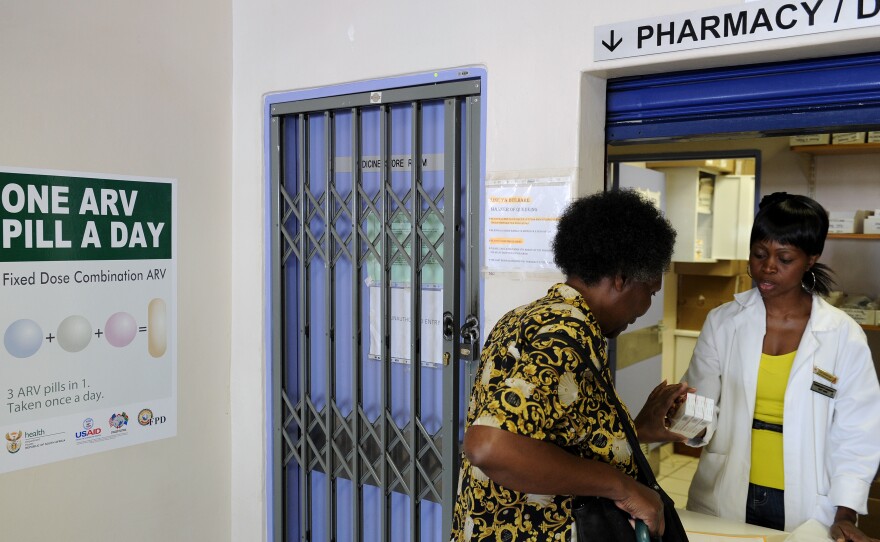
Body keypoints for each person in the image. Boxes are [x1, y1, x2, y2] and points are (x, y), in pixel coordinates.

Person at [450, 189, 689, 541]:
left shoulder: (524, 317)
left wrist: (635, 431)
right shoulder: (567, 333)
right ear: (621, 279)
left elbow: (551, 439)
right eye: (650, 293)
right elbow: (489, 445)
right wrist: (622, 487)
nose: (644, 311)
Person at [682, 192, 880, 541]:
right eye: (759, 255)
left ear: (811, 258)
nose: (767, 266)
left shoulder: (841, 335)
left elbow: (858, 434)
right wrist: (683, 420)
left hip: (809, 500)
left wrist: (844, 514)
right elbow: (700, 405)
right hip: (727, 489)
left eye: (784, 258)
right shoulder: (723, 322)